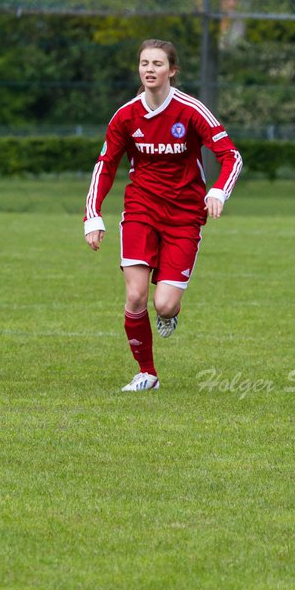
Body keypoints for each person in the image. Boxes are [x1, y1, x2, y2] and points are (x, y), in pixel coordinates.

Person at [84, 39, 243, 392]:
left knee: (165, 304)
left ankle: (169, 314)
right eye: (144, 63)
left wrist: (217, 191)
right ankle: (147, 373)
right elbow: (105, 165)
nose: (149, 69)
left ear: (172, 70)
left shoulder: (191, 111)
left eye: (157, 63)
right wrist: (92, 215)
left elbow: (231, 155)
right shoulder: (126, 116)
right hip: (141, 209)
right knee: (136, 296)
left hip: (185, 215)